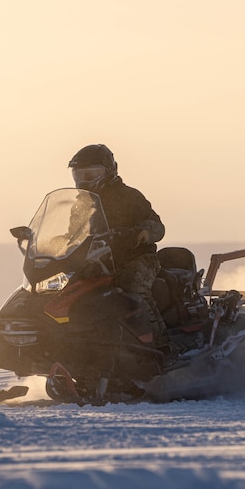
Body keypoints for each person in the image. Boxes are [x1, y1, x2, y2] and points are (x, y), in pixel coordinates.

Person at [68, 143, 168, 346]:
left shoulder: (129, 197)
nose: (84, 182)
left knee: (132, 285)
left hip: (136, 258)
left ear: (109, 171)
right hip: (98, 260)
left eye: (90, 175)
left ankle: (160, 342)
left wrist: (140, 233)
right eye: (79, 176)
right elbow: (73, 234)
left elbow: (157, 226)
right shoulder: (81, 205)